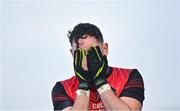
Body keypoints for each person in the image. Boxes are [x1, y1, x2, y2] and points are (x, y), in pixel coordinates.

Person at [51, 23, 145, 110]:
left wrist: (101, 82)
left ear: (105, 49)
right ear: (72, 54)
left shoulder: (129, 76)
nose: (86, 59)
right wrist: (83, 85)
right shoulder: (62, 88)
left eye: (91, 52)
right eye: (80, 54)